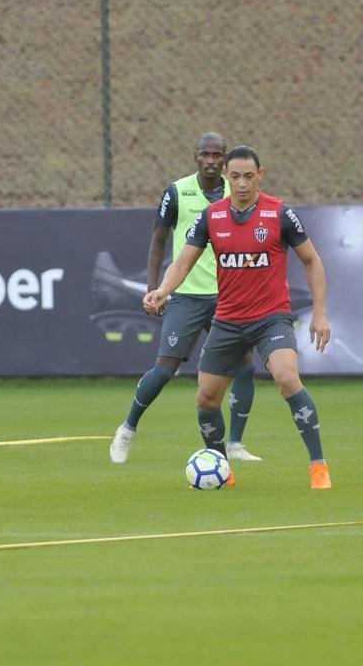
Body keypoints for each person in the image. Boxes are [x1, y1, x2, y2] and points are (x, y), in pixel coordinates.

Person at [143, 145, 333, 489]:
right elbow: (183, 261)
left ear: (260, 174)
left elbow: (312, 260)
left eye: (249, 176)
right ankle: (223, 471)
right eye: (236, 177)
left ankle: (318, 466)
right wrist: (163, 290)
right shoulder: (212, 217)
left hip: (271, 317)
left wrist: (320, 313)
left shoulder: (280, 214)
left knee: (288, 379)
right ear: (227, 178)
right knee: (206, 398)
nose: (242, 184)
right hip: (228, 319)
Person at [110, 133, 261, 464]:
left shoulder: (237, 192)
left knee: (246, 365)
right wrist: (155, 288)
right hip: (186, 296)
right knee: (165, 368)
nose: (211, 160)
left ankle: (235, 444)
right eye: (205, 154)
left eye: (217, 155)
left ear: (225, 159)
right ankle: (127, 428)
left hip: (227, 297)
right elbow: (158, 240)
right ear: (195, 156)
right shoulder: (177, 191)